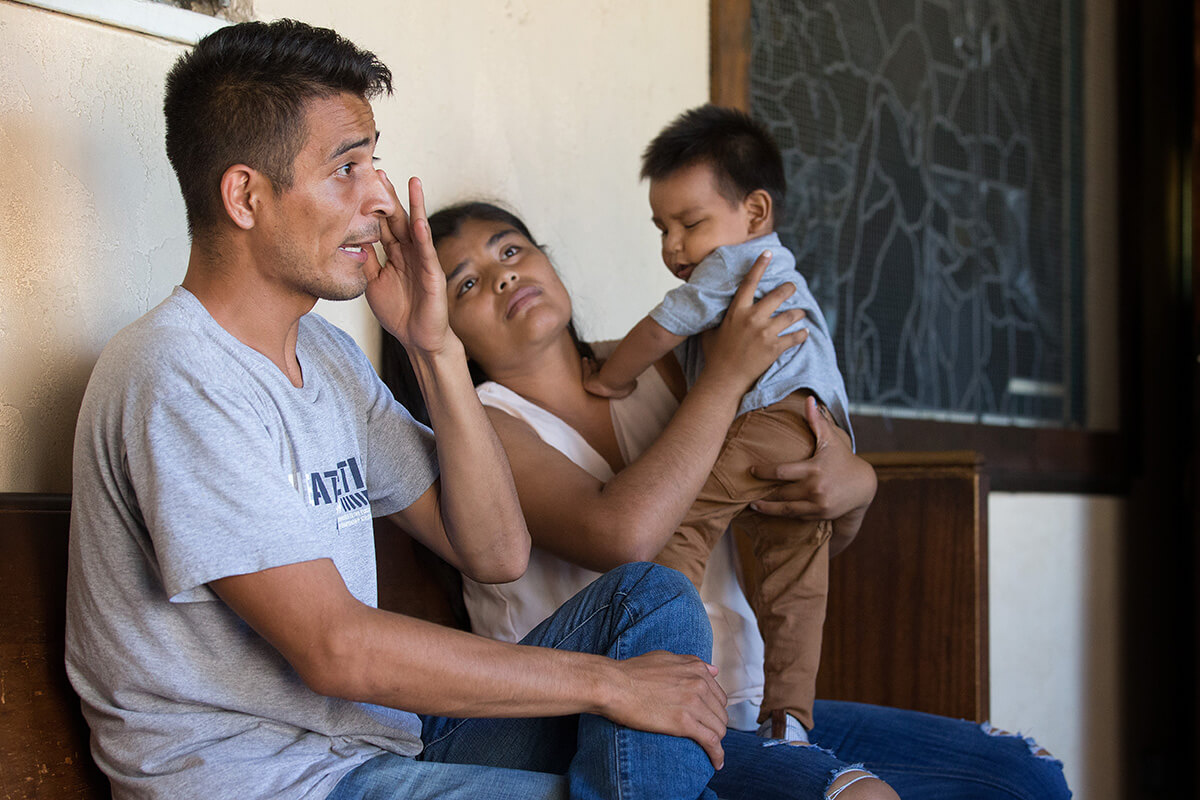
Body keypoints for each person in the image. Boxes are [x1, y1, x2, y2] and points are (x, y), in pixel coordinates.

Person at [65, 19, 775, 800]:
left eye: (375, 161)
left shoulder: (327, 359)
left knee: (654, 597)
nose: (379, 198)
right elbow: (337, 650)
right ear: (245, 196)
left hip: (384, 744)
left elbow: (496, 551)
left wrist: (433, 349)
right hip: (273, 783)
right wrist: (609, 685)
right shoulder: (177, 375)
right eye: (346, 168)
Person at [393, 199, 1072, 799]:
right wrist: (728, 376)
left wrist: (855, 487)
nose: (504, 273)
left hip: (750, 701)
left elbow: (799, 532)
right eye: (468, 283)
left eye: (511, 248)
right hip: (606, 724)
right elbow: (621, 537)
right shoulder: (484, 426)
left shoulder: (660, 364)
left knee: (1021, 775)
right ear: (444, 330)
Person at [584, 104, 853, 742]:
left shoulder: (737, 264)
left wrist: (608, 377)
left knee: (682, 521)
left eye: (690, 223)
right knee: (795, 587)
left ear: (753, 213)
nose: (673, 246)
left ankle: (667, 671)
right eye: (661, 228)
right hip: (821, 430)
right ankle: (790, 720)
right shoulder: (769, 273)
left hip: (776, 419)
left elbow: (660, 328)